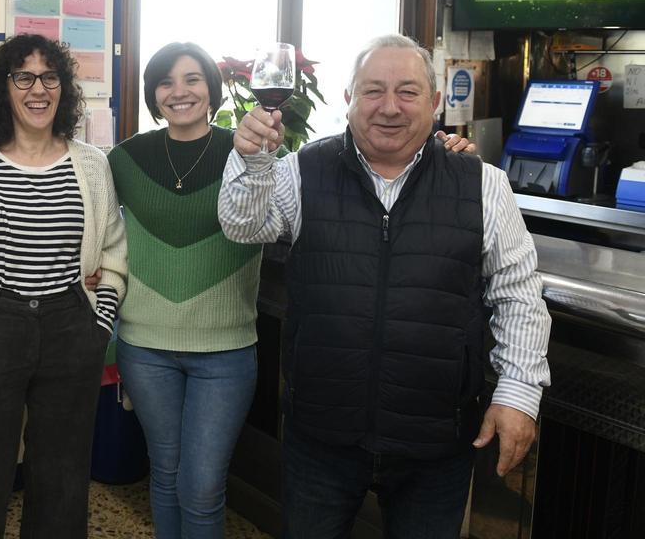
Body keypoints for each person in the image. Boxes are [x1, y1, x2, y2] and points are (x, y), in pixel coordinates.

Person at [218, 33, 551, 539]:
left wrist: (519, 394)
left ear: (435, 102)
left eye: (408, 92)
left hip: (435, 442)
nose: (390, 108)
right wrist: (253, 157)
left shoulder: (482, 183)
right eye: (373, 91)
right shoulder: (303, 170)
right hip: (321, 435)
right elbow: (244, 226)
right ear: (349, 99)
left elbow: (519, 292)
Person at [0, 33, 128, 539]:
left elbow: (112, 253)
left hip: (71, 327)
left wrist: (98, 320)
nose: (37, 89)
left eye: (49, 77)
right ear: (6, 87)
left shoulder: (91, 163)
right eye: (24, 77)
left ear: (62, 88)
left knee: (62, 482)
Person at [107, 42, 263, 539]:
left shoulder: (247, 154)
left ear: (212, 90)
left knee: (202, 486)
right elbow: (96, 227)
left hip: (226, 351)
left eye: (193, 79)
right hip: (144, 346)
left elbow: (277, 216)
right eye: (167, 82)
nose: (180, 91)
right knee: (167, 473)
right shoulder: (125, 158)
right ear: (154, 95)